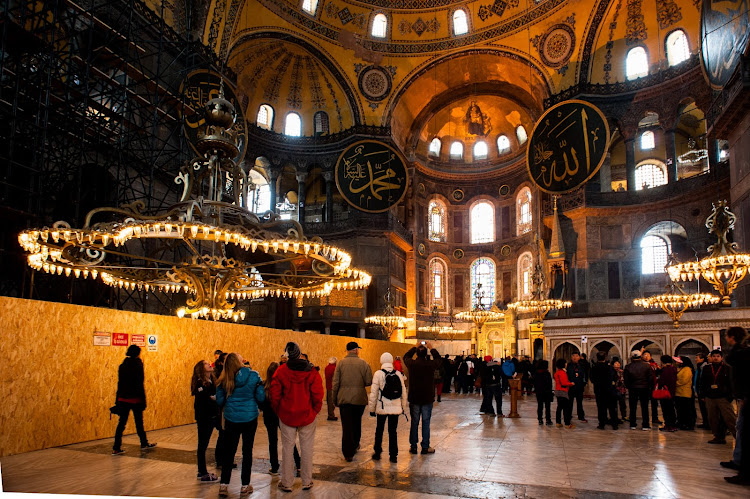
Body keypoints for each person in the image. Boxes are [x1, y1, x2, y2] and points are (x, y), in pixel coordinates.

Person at [270, 342, 324, 492]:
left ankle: (286, 482)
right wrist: (315, 410)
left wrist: (279, 410)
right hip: (307, 415)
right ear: (300, 353)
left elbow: (274, 394)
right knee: (307, 448)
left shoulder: (281, 371)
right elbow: (318, 394)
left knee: (287, 448)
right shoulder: (312, 371)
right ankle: (307, 481)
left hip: (287, 415)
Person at [215, 352, 264, 496]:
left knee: (229, 452)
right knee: (247, 451)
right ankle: (244, 485)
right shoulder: (254, 375)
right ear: (240, 361)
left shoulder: (224, 379)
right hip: (250, 418)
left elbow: (219, 401)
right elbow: (260, 396)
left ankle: (224, 484)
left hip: (231, 418)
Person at [332, 341, 373, 462]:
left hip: (344, 399)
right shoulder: (364, 363)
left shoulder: (340, 364)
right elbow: (368, 381)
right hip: (359, 399)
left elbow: (335, 383)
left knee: (346, 426)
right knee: (356, 423)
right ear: (355, 350)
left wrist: (334, 399)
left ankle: (347, 453)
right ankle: (355, 445)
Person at [112, 345, 156, 455]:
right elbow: (139, 384)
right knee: (139, 423)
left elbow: (120, 384)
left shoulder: (122, 366)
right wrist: (143, 400)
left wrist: (117, 400)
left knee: (121, 424)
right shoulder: (138, 365)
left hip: (123, 399)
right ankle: (143, 443)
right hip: (135, 399)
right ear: (137, 354)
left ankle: (116, 447)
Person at [260, 362, 301, 478]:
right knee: (289, 440)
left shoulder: (264, 386)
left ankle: (274, 467)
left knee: (272, 441)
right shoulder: (284, 385)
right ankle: (298, 465)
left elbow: (262, 404)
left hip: (269, 417)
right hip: (282, 416)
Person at [367, 352, 408, 463]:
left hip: (382, 407)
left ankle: (377, 452)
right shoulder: (398, 374)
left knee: (379, 430)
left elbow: (374, 393)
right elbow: (403, 392)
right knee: (392, 431)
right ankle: (393, 455)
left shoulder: (378, 374)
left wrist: (372, 409)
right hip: (395, 408)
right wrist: (402, 407)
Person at [403, 341, 441, 454]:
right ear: (426, 354)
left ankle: (413, 446)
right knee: (426, 422)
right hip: (427, 398)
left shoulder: (412, 364)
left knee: (414, 422)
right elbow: (439, 360)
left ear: (417, 354)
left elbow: (406, 356)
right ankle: (425, 446)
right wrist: (432, 348)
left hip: (414, 398)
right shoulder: (430, 365)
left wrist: (414, 348)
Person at [723, 326, 750, 476]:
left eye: (727, 336)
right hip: (743, 397)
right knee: (740, 428)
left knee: (743, 429)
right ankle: (738, 460)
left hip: (746, 397)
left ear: (732, 337)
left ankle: (743, 468)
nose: (726, 339)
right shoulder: (742, 351)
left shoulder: (742, 353)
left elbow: (731, 360)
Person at [191, 360, 219, 482]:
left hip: (214, 415)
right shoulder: (199, 383)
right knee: (202, 444)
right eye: (206, 364)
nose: (209, 365)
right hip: (204, 417)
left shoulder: (212, 380)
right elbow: (204, 398)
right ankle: (202, 471)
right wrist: (212, 398)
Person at [701, 349, 736, 444]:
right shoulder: (707, 368)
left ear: (721, 358)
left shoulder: (727, 368)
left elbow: (731, 382)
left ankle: (738, 437)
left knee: (730, 418)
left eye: (718, 356)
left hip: (723, 397)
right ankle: (718, 437)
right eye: (714, 356)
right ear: (711, 358)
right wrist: (704, 394)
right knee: (713, 418)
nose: (716, 358)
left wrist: (730, 396)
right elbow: (703, 382)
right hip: (710, 397)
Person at [624, 350, 653, 430]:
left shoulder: (628, 366)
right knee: (644, 407)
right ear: (641, 357)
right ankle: (645, 425)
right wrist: (649, 387)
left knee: (633, 407)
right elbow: (650, 379)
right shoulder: (647, 366)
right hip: (644, 388)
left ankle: (633, 424)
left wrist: (629, 387)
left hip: (633, 389)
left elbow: (626, 380)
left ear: (632, 357)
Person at [590, 351, 618, 430]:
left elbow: (592, 378)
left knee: (601, 408)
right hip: (610, 390)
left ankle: (602, 424)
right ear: (605, 358)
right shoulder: (609, 367)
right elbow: (614, 377)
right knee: (612, 408)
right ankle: (614, 424)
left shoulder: (594, 368)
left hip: (599, 390)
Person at [657, 355, 678, 432]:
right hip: (672, 392)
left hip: (665, 393)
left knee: (666, 410)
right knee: (671, 409)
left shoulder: (665, 370)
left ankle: (668, 425)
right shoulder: (674, 369)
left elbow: (662, 381)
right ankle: (672, 425)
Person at [566, 352, 587, 423]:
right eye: (573, 356)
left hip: (579, 386)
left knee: (579, 402)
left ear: (579, 357)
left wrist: (584, 383)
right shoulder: (568, 365)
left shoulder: (582, 365)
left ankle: (581, 416)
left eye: (576, 356)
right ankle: (568, 416)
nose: (575, 357)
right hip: (571, 386)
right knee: (569, 402)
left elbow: (584, 375)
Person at [675, 356, 695, 430]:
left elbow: (683, 381)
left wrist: (674, 383)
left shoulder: (687, 369)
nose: (676, 362)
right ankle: (681, 422)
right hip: (678, 392)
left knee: (686, 410)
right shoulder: (680, 369)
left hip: (685, 393)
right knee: (680, 410)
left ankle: (688, 424)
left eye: (678, 361)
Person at [642, 350, 662, 426]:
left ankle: (655, 417)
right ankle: (645, 419)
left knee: (654, 403)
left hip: (653, 386)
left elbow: (659, 372)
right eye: (645, 355)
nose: (646, 356)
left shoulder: (654, 364)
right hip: (644, 386)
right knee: (644, 403)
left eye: (648, 355)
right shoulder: (641, 364)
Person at [554, 358, 574, 428]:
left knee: (559, 407)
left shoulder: (557, 372)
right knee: (566, 408)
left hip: (558, 391)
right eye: (565, 363)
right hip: (563, 391)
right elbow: (564, 383)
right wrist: (571, 383)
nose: (566, 364)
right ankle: (567, 423)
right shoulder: (562, 373)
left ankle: (558, 422)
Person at [533, 360, 553, 425]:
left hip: (539, 392)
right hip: (547, 392)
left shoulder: (536, 373)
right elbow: (550, 383)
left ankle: (540, 419)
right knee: (547, 406)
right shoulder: (547, 373)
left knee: (540, 406)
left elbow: (535, 383)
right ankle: (548, 419)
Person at [695, 352, 710, 429]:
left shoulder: (705, 367)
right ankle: (705, 422)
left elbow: (703, 380)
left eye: (697, 358)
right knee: (702, 408)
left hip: (703, 391)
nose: (695, 359)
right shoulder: (699, 367)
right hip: (700, 390)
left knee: (706, 408)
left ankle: (708, 423)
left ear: (702, 359)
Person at [325, 357, 338, 421]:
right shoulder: (334, 368)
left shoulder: (327, 368)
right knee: (331, 402)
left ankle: (330, 414)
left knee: (329, 401)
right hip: (332, 387)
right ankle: (331, 415)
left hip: (328, 386)